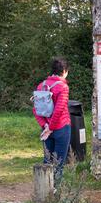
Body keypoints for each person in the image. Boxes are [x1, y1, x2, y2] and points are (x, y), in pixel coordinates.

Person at [33, 57, 71, 186]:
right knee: (59, 162)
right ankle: (55, 195)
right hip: (61, 128)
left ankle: (43, 190)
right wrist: (51, 127)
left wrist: (45, 125)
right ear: (64, 71)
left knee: (47, 160)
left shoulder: (41, 85)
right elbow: (59, 109)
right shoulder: (63, 87)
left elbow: (36, 109)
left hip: (46, 128)